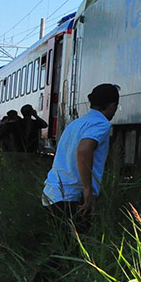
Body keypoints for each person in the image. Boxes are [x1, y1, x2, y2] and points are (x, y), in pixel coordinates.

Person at [41, 84, 120, 232]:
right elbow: (84, 150)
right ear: (112, 105)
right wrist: (88, 189)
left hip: (52, 194)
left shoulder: (76, 124)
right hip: (71, 198)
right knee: (75, 248)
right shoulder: (101, 124)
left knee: (62, 248)